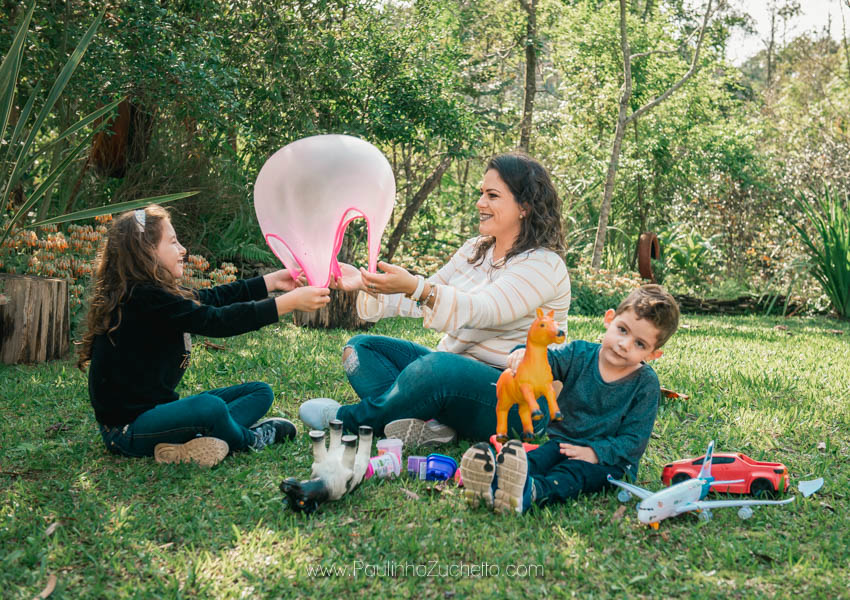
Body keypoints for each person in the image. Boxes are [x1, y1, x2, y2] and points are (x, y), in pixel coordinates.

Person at [299, 152, 571, 446]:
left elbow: (484, 309)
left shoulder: (543, 264)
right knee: (361, 350)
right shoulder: (475, 249)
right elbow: (427, 294)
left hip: (514, 398)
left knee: (438, 369)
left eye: (492, 195)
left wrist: (417, 287)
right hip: (451, 373)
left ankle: (347, 419)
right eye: (481, 193)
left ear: (525, 207)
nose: (480, 203)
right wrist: (365, 284)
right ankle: (435, 423)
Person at [77, 204, 331, 467]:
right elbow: (215, 321)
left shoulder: (157, 295)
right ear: (147, 252)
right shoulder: (141, 299)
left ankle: (197, 438)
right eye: (173, 242)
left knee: (259, 392)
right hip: (127, 431)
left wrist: (270, 282)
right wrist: (286, 304)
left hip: (159, 414)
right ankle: (250, 439)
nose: (183, 250)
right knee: (210, 408)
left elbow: (211, 299)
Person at [459, 284, 680, 515]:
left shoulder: (644, 384)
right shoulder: (579, 354)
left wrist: (594, 453)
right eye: (623, 330)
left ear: (653, 354)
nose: (624, 344)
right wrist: (524, 354)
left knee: (571, 474)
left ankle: (531, 492)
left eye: (639, 344)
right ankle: (491, 484)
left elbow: (633, 441)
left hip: (610, 463)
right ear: (609, 319)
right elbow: (545, 364)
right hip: (562, 443)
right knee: (534, 459)